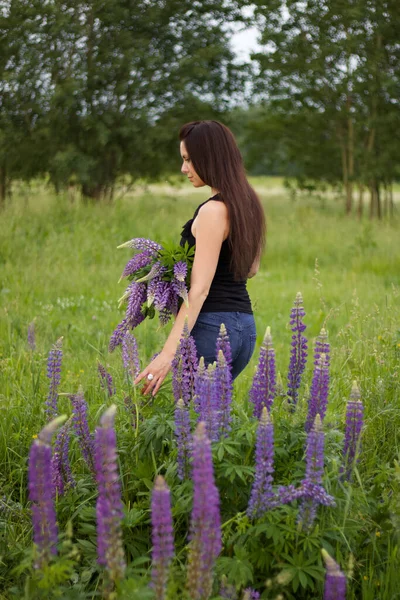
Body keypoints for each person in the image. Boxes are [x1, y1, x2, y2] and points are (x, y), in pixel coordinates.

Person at [134, 120, 265, 396]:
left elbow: (201, 289)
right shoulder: (248, 203)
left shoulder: (212, 211)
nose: (184, 169)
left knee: (190, 426)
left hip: (210, 329)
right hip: (245, 330)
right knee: (213, 422)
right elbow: (251, 269)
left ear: (210, 158)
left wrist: (168, 353)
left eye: (188, 160)